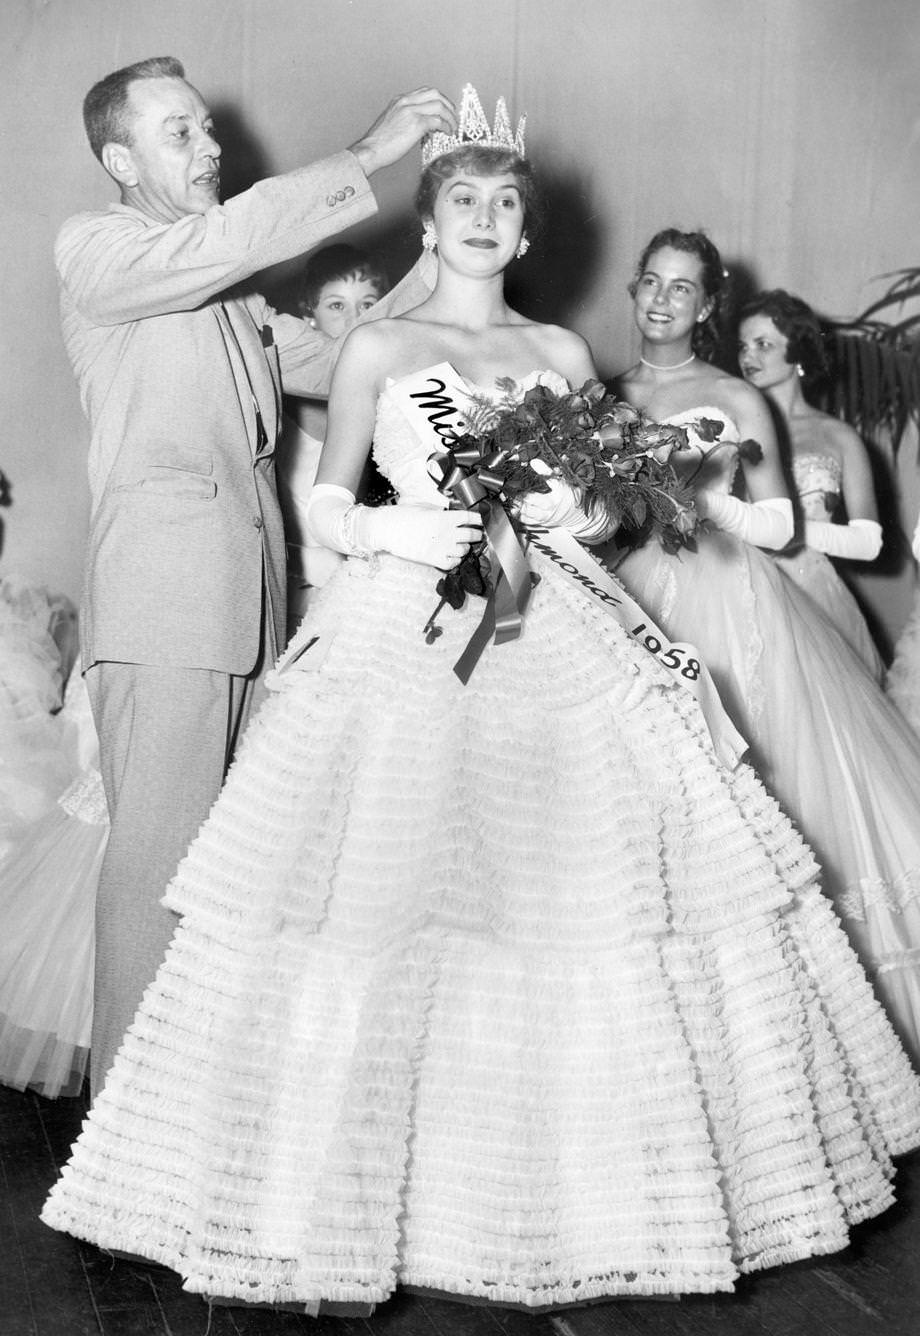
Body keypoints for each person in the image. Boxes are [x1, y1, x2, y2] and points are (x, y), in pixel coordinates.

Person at [43, 90, 920, 1313]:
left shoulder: (555, 354)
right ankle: (212, 1165)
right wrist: (389, 519)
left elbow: (600, 495)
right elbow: (336, 474)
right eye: (460, 198)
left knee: (557, 886)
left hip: (534, 620)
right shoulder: (116, 255)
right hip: (313, 611)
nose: (484, 216)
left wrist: (578, 510)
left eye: (504, 203)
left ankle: (544, 1166)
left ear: (521, 234)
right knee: (326, 889)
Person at [60, 56, 456, 1096]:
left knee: (227, 875)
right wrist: (366, 157)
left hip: (250, 603)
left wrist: (445, 243)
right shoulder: (101, 249)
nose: (211, 147)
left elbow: (348, 355)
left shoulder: (224, 289)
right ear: (119, 159)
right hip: (162, 608)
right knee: (158, 876)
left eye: (206, 127)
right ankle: (129, 1133)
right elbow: (230, 238)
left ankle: (193, 1119)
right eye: (179, 133)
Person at [609, 227, 920, 1061]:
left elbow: (781, 521)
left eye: (684, 288)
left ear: (706, 306)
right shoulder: (599, 393)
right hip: (631, 595)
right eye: (652, 282)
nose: (664, 299)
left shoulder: (733, 396)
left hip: (727, 594)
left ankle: (791, 1019)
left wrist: (699, 500)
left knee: (756, 782)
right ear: (632, 291)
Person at [737, 289, 883, 676]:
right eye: (743, 345)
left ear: (798, 352)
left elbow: (869, 543)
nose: (748, 356)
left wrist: (794, 532)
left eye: (763, 344)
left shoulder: (838, 437)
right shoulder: (731, 428)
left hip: (813, 594)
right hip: (741, 587)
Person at [277, 244, 391, 633]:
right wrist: (311, 563)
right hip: (289, 593)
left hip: (369, 598)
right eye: (337, 306)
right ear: (309, 316)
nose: (357, 319)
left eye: (369, 303)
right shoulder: (278, 410)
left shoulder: (390, 404)